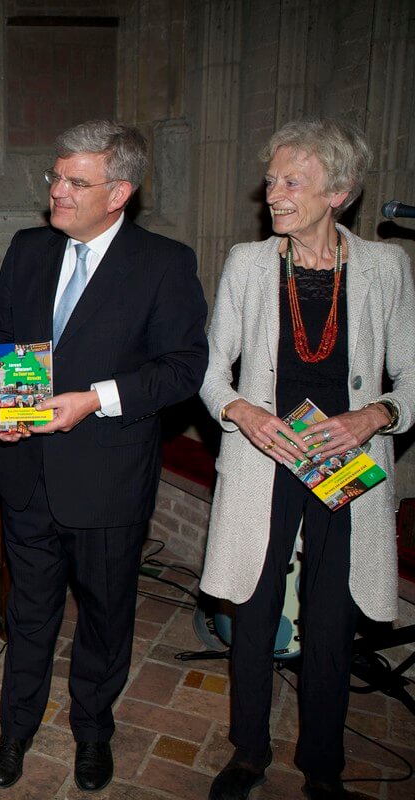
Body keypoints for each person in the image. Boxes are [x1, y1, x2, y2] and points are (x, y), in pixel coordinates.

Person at [0, 120, 208, 792]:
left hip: (107, 478)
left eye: (76, 181)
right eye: (55, 175)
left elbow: (184, 368)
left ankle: (93, 732)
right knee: (29, 613)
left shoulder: (163, 264)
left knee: (106, 617)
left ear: (119, 194)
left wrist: (95, 398)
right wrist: (5, 395)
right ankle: (15, 729)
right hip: (27, 472)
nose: (56, 190)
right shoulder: (27, 251)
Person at [199, 118, 414, 800]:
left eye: (293, 181)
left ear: (339, 193)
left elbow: (413, 375)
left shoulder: (386, 267)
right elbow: (208, 367)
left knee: (331, 619)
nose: (275, 193)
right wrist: (244, 412)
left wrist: (374, 416)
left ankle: (323, 766)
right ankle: (249, 753)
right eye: (271, 180)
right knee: (255, 612)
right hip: (266, 460)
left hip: (346, 463)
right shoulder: (249, 263)